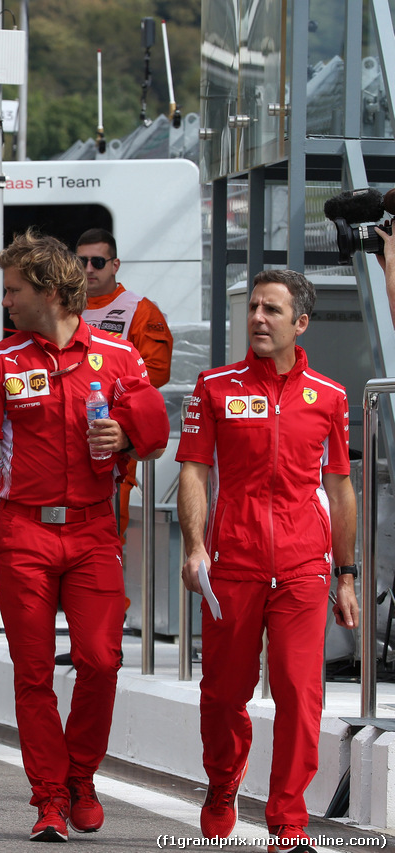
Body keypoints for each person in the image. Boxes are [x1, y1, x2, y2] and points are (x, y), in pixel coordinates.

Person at [0, 229, 168, 842]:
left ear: (50, 292)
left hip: (92, 529)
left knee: (100, 661)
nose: (6, 302)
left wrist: (125, 440)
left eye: (14, 290)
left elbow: (152, 434)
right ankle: (49, 797)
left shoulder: (120, 357)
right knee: (32, 673)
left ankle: (81, 777)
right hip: (22, 528)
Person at [177, 269, 357, 853]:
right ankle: (223, 787)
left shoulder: (329, 397)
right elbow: (195, 471)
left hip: (306, 565)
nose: (257, 318)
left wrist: (347, 573)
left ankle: (288, 820)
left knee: (300, 694)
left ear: (299, 323)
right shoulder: (214, 386)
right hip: (232, 561)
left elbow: (342, 486)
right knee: (225, 693)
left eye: (271, 310)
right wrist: (196, 546)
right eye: (253, 307)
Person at [75, 228, 174, 538]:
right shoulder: (63, 306)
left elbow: (156, 371)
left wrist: (104, 388)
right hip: (64, 430)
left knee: (107, 528)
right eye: (81, 262)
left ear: (115, 265)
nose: (88, 269)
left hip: (111, 430)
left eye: (97, 262)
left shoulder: (139, 309)